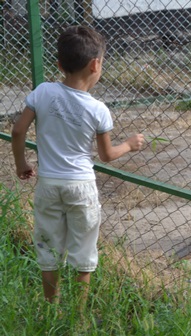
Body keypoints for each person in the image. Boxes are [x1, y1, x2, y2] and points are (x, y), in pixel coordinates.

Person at [11, 25, 145, 307]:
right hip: (81, 187)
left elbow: (18, 131)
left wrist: (21, 162)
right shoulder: (98, 110)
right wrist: (130, 145)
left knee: (48, 247)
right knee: (83, 252)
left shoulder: (43, 92)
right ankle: (78, 314)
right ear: (96, 65)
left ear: (59, 64)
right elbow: (107, 155)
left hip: (48, 184)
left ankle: (52, 309)